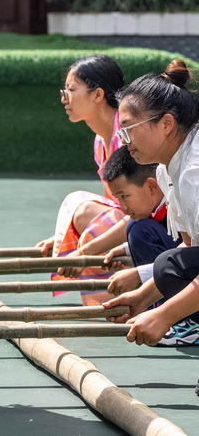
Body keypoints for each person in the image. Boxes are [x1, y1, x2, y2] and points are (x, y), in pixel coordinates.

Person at [105, 61, 199, 347]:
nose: (124, 142)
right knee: (168, 265)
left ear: (167, 124)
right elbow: (191, 251)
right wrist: (143, 296)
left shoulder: (193, 172)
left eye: (129, 130)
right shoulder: (166, 168)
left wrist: (164, 316)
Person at [36, 56, 127, 303]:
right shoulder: (101, 141)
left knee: (82, 207)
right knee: (80, 208)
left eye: (71, 90)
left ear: (97, 95)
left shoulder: (127, 136)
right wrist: (65, 236)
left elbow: (136, 213)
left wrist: (83, 251)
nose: (64, 98)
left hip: (154, 229)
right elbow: (117, 206)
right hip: (134, 223)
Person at [100, 147, 181, 312]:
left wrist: (140, 274)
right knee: (135, 227)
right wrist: (127, 248)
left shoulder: (182, 197)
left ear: (151, 186)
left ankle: (176, 318)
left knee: (140, 230)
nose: (122, 207)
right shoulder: (162, 205)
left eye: (124, 196)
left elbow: (190, 254)